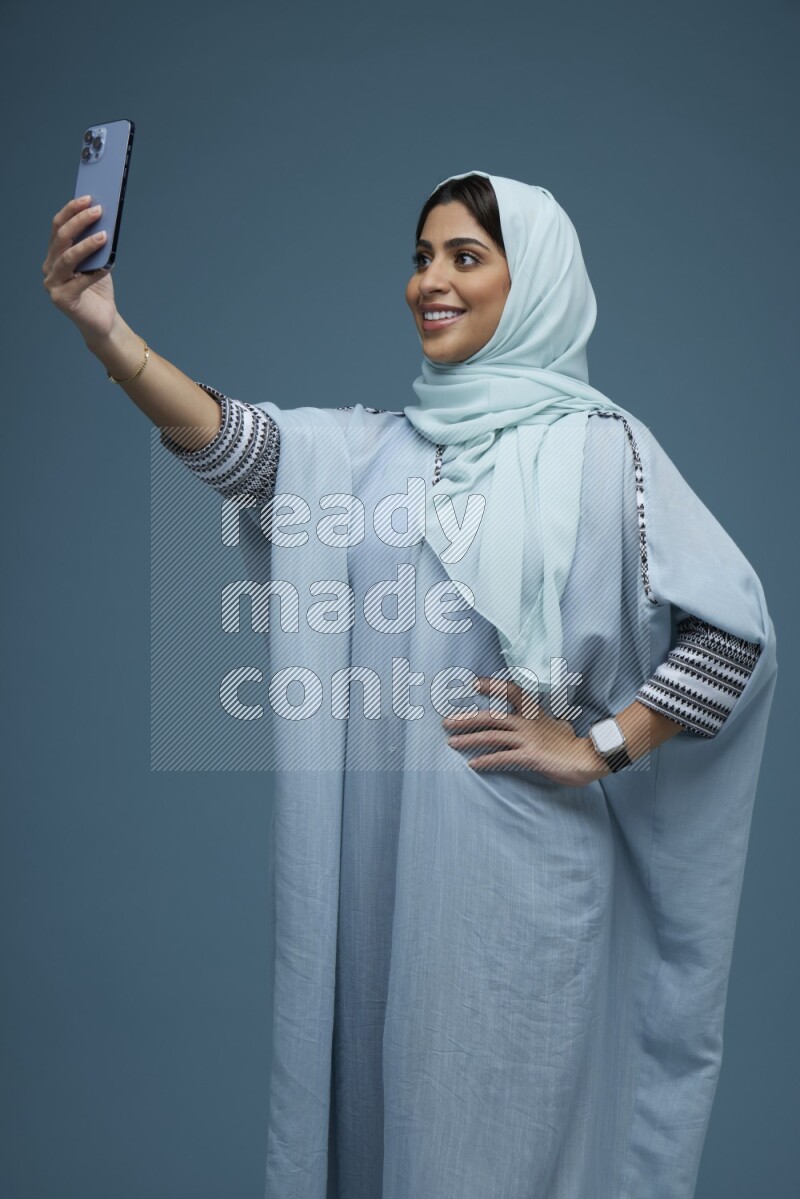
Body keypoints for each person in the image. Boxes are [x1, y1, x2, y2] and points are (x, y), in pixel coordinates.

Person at [44, 170, 777, 1198]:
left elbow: (728, 638)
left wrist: (597, 744)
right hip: (379, 889)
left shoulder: (608, 456)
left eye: (464, 256)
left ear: (537, 283)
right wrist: (106, 335)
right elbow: (241, 449)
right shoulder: (372, 453)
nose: (428, 280)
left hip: (524, 896)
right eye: (421, 257)